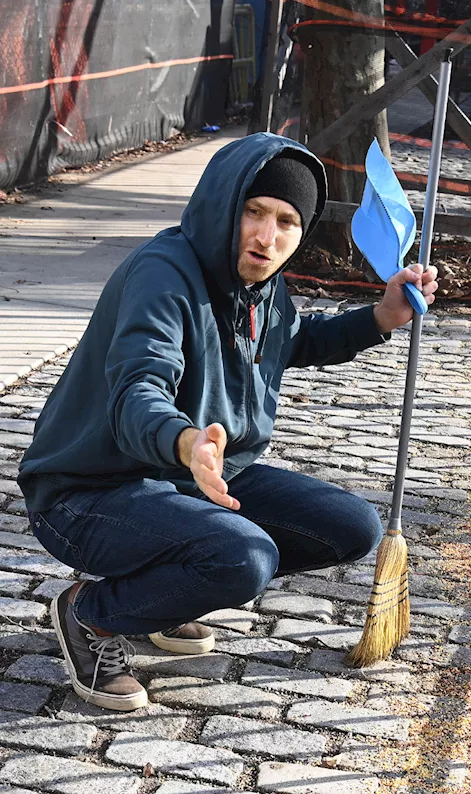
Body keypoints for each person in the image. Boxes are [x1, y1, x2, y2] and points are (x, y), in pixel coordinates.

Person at [17, 132, 439, 712]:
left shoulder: (263, 287)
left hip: (198, 477)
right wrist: (188, 441)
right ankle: (92, 615)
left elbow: (296, 339)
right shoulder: (163, 276)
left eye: (287, 221)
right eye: (255, 212)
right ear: (224, 203)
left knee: (350, 527)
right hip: (90, 491)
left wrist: (380, 316)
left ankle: (160, 600)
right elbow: (137, 392)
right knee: (243, 558)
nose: (268, 237)